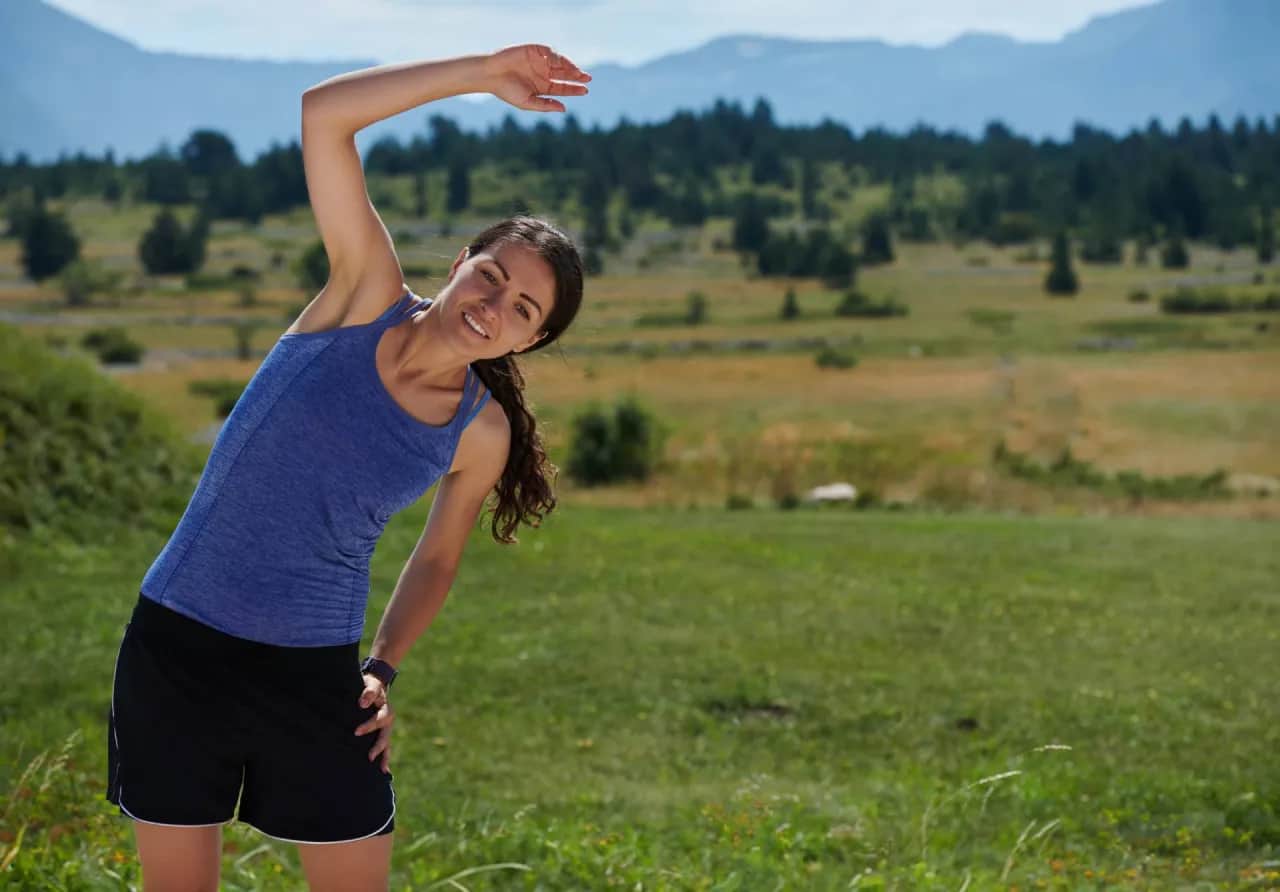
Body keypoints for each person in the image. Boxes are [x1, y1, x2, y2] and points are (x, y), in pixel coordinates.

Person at [106, 44, 591, 891]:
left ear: (531, 339)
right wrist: (481, 75)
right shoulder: (362, 293)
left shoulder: (480, 435)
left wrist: (383, 666)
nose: (492, 307)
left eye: (522, 309)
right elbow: (323, 115)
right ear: (458, 266)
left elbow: (438, 557)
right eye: (490, 275)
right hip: (178, 643)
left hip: (314, 675)